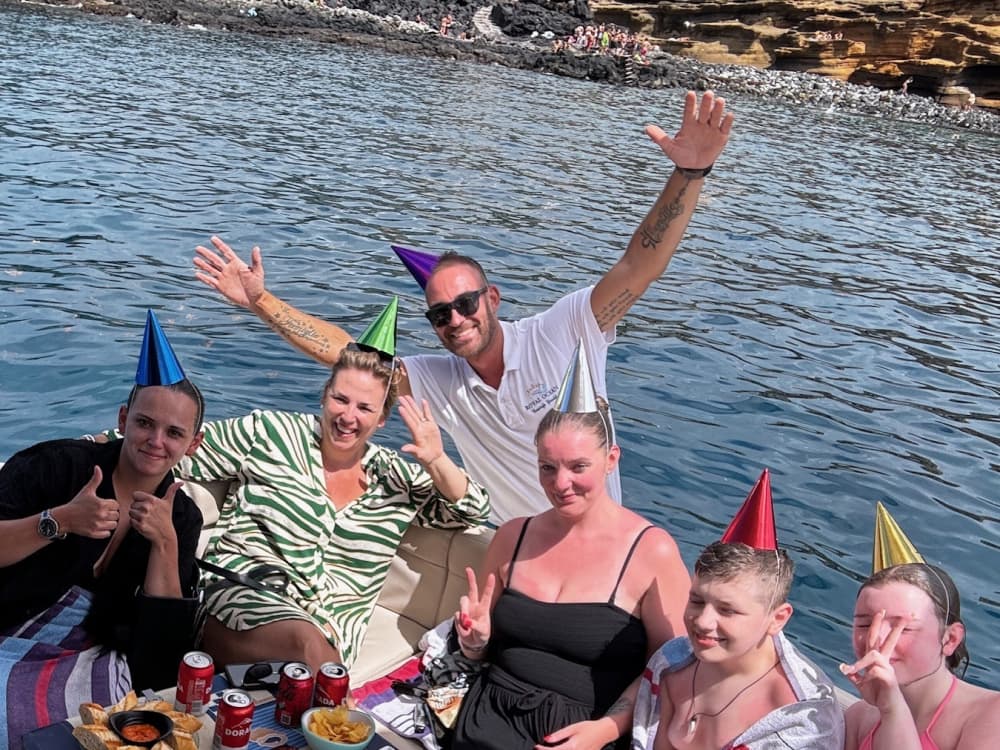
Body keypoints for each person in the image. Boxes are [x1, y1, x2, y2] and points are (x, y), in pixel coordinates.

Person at [191, 90, 735, 523]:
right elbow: (346, 355)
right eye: (439, 314)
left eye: (465, 302)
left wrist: (689, 174)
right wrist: (261, 300)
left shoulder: (563, 330)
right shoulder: (440, 381)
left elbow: (638, 266)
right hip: (510, 547)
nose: (455, 318)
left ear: (491, 298)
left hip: (596, 539)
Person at [175, 299, 490, 673]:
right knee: (306, 648)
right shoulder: (272, 434)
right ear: (324, 395)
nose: (348, 416)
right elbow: (175, 449)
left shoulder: (397, 479)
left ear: (383, 419)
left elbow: (473, 509)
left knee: (312, 657)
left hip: (330, 640)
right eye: (340, 399)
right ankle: (344, 720)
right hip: (241, 604)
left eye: (364, 408)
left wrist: (436, 460)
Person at [448, 342, 690, 749]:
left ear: (611, 459)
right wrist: (475, 644)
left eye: (579, 467)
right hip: (489, 714)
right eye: (548, 467)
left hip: (585, 734)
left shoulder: (652, 552)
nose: (561, 484)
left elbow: (669, 671)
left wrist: (607, 730)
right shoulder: (513, 535)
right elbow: (481, 646)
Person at [0, 311, 205, 747]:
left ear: (193, 444)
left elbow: (160, 652)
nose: (156, 441)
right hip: (8, 627)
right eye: (145, 423)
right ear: (123, 418)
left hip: (90, 652)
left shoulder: (182, 516)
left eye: (174, 432)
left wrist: (164, 543)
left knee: (113, 733)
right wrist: (59, 520)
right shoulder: (58, 465)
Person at [632, 469, 844, 749]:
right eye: (697, 601)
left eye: (727, 610)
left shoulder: (802, 720)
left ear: (777, 619)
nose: (703, 621)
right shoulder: (670, 663)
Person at [841, 504, 1000, 750]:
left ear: (950, 640)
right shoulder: (858, 718)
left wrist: (892, 709)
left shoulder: (990, 717)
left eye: (902, 628)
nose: (877, 638)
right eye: (865, 623)